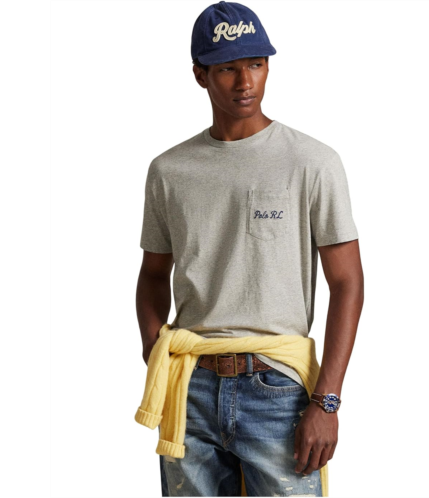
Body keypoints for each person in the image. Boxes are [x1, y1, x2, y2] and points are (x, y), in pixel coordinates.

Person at [135, 1, 364, 496]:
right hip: (190, 388)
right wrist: (155, 351)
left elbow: (347, 282)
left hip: (277, 388)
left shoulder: (312, 162)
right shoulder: (169, 171)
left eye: (256, 64)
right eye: (227, 68)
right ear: (200, 75)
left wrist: (326, 400)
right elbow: (153, 273)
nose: (245, 82)